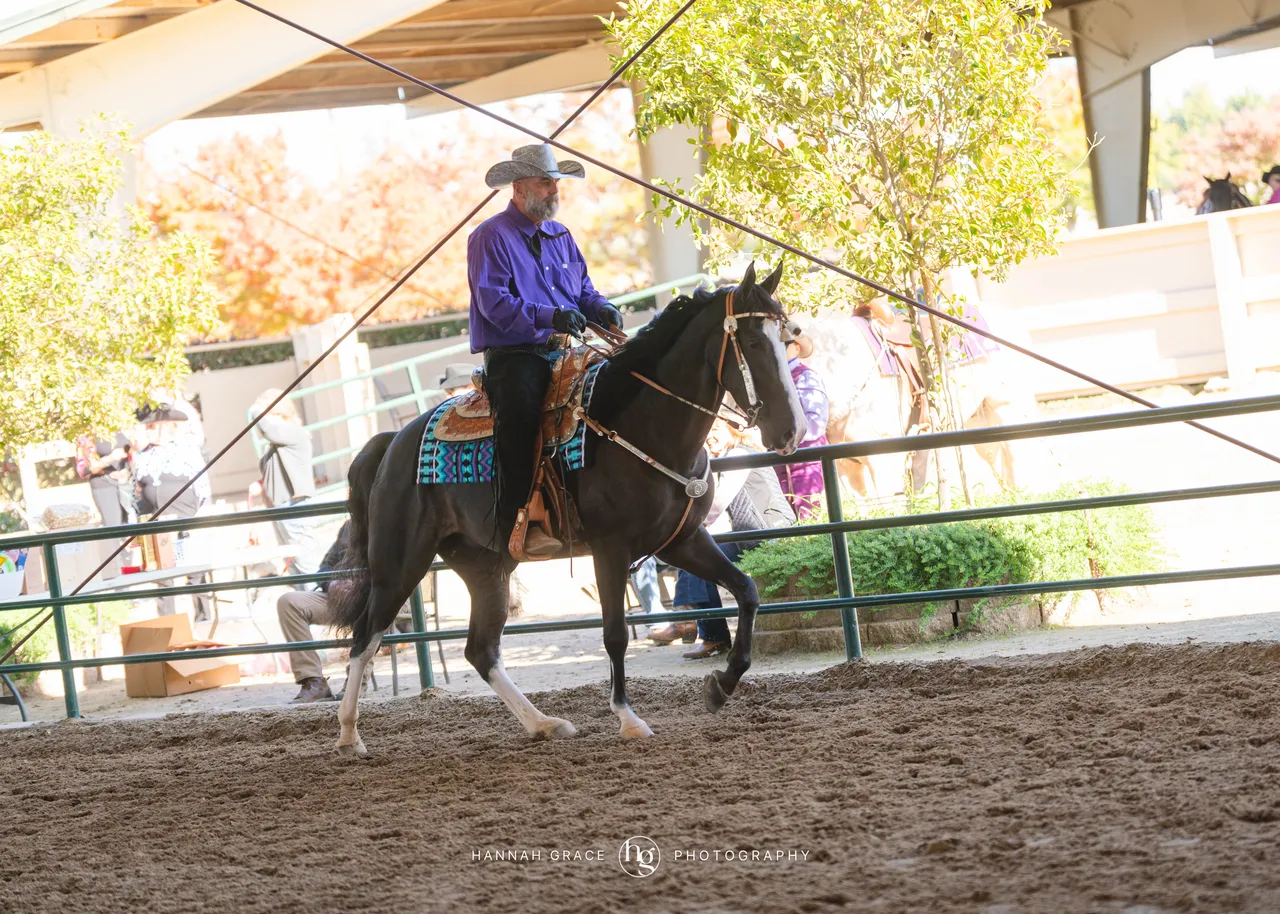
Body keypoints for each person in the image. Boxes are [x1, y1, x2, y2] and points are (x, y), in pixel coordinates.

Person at [467, 143, 624, 556]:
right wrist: (549, 316)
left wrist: (601, 308)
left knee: (618, 393)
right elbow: (493, 302)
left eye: (556, 182)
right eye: (545, 182)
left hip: (565, 350)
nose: (555, 190)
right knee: (518, 417)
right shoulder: (490, 237)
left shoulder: (561, 236)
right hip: (516, 355)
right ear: (519, 188)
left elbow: (584, 291)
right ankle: (517, 521)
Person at [650, 419, 795, 657]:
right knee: (694, 556)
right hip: (750, 534)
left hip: (769, 533)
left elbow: (717, 503)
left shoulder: (738, 455)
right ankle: (696, 625)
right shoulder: (728, 456)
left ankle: (695, 625)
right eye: (704, 433)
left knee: (695, 554)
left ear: (733, 431)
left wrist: (688, 527)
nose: (709, 437)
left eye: (715, 430)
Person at [131, 405, 213, 620]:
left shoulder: (186, 447)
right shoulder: (142, 456)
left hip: (185, 516)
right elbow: (136, 491)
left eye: (150, 427)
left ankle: (204, 620)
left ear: (164, 427)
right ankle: (170, 625)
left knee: (195, 573)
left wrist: (203, 516)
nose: (147, 431)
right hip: (155, 521)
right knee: (162, 577)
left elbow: (202, 485)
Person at [276, 522, 350, 703]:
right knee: (289, 602)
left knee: (371, 606)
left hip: (374, 599)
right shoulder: (350, 526)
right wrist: (333, 584)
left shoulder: (390, 522)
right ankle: (314, 682)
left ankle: (356, 681)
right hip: (340, 597)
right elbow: (325, 567)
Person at [251, 390, 319, 577]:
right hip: (281, 508)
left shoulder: (290, 431)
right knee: (294, 568)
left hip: (295, 507)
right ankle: (303, 605)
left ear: (279, 414)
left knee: (306, 567)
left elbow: (269, 430)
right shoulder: (279, 440)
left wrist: (257, 411)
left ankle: (317, 604)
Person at [775, 320, 829, 519]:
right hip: (780, 467)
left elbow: (816, 423)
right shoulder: (773, 379)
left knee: (813, 522)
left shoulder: (805, 377)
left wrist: (785, 435)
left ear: (796, 348)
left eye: (784, 344)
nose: (778, 349)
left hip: (806, 467)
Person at [76, 433, 134, 526]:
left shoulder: (126, 426)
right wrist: (111, 458)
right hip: (104, 484)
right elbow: (84, 469)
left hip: (128, 483)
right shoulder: (87, 436)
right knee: (114, 526)